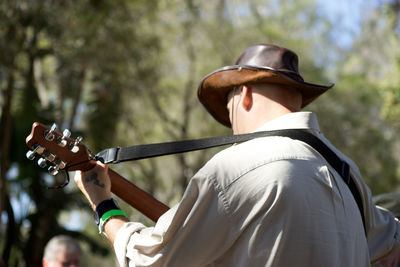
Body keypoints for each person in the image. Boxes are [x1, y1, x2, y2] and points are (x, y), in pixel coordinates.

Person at [74, 43, 400, 266]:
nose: (232, 128)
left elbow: (149, 260)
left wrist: (103, 206)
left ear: (243, 95)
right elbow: (392, 238)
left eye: (228, 110)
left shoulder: (235, 168)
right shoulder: (349, 177)